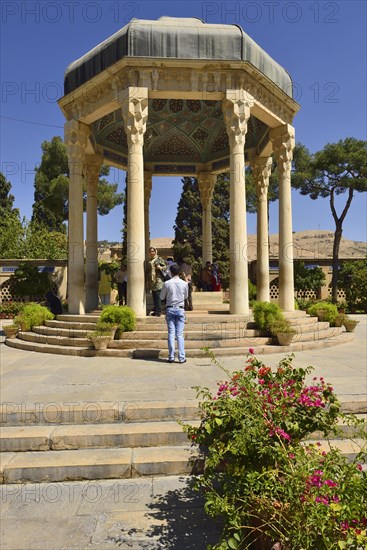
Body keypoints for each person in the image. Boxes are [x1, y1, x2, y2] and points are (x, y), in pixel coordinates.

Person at [160, 264, 188, 363]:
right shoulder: (184, 283)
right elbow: (185, 296)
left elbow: (162, 297)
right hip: (180, 309)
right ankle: (181, 357)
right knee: (180, 334)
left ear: (171, 272)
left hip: (170, 309)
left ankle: (171, 356)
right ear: (179, 272)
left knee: (171, 333)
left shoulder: (167, 283)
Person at [145, 247, 166, 317]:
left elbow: (165, 267)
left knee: (157, 296)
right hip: (151, 280)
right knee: (154, 296)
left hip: (158, 279)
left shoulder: (159, 259)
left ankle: (158, 312)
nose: (151, 253)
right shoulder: (148, 261)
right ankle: (156, 310)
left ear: (155, 252)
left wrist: (160, 267)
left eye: (152, 251)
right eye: (150, 251)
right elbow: (147, 271)